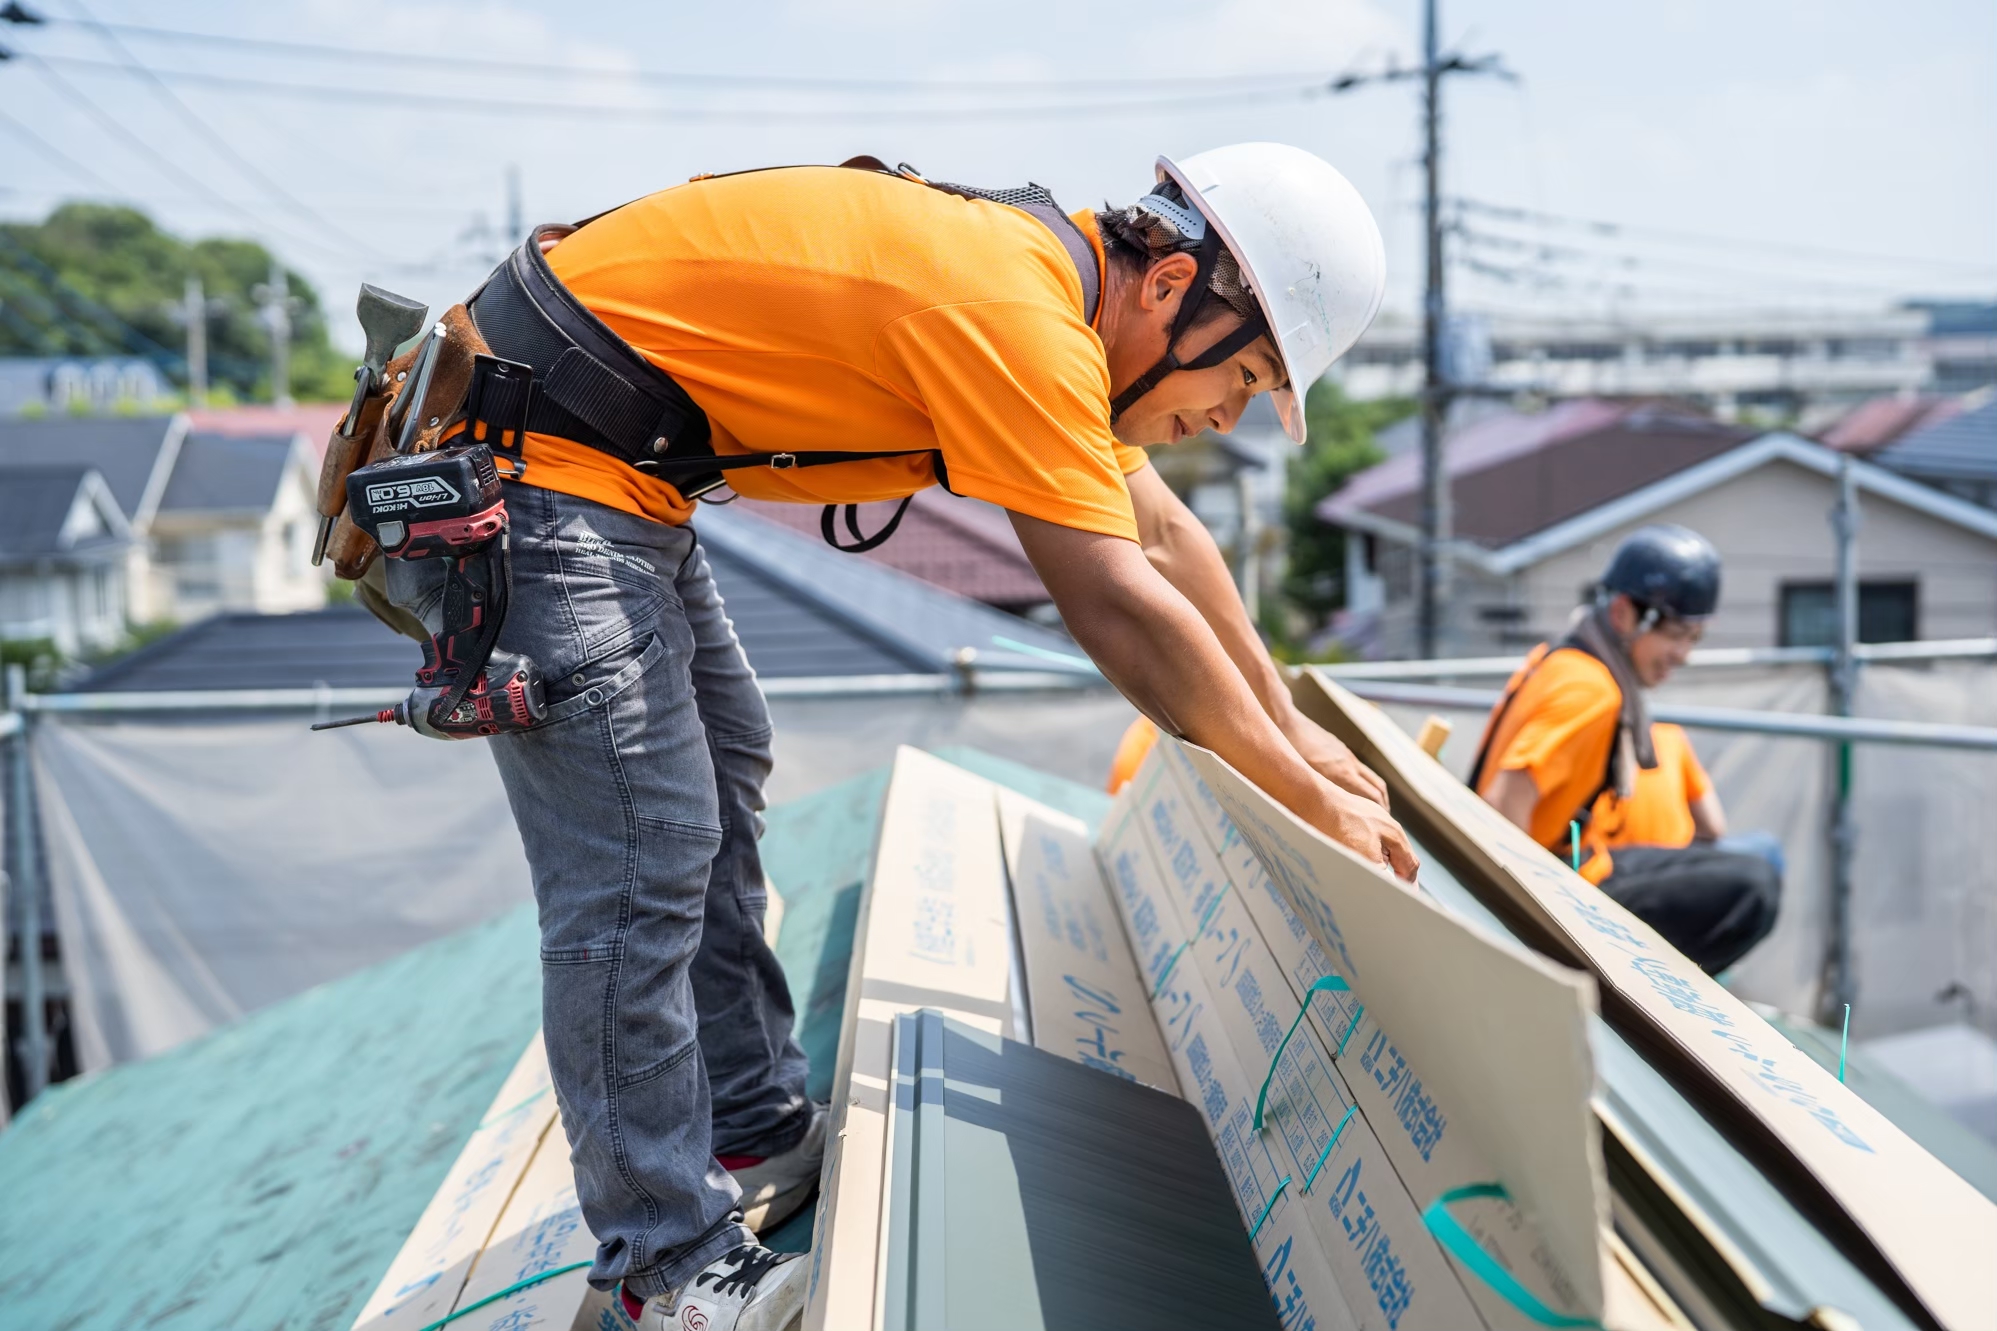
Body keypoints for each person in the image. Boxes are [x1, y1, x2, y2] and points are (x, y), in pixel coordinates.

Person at [384, 144, 1414, 1331]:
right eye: (1243, 381)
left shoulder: (1054, 293)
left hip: (608, 474)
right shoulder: (1015, 311)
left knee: (719, 774)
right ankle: (657, 1270)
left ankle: (750, 1127)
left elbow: (1167, 537)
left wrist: (1285, 722)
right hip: (541, 474)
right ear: (1174, 288)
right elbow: (1120, 603)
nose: (1222, 417)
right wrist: (1295, 789)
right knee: (639, 862)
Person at [1471, 525, 1781, 975]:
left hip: (1578, 863)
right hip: (1560, 893)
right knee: (1755, 887)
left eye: (1694, 638)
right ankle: (1639, 1009)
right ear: (1623, 614)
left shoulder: (1562, 660)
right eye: (1676, 633)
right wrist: (1521, 951)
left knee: (1754, 859)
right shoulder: (1591, 690)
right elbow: (1500, 807)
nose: (1683, 653)